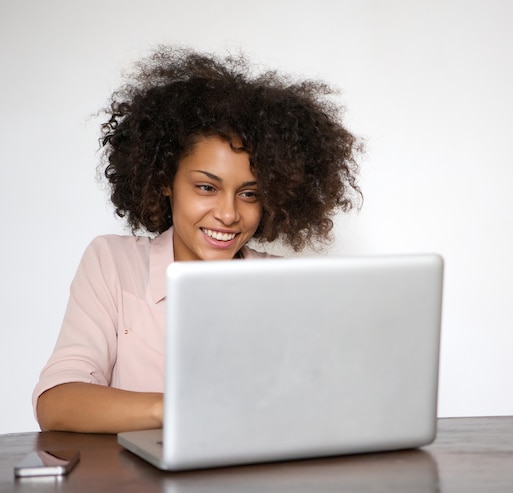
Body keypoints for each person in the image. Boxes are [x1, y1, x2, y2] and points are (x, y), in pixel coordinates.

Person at [33, 46, 362, 433]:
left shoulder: (283, 285)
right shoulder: (113, 264)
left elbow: (318, 408)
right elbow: (57, 402)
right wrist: (174, 410)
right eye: (207, 187)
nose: (228, 213)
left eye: (250, 194)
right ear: (164, 181)